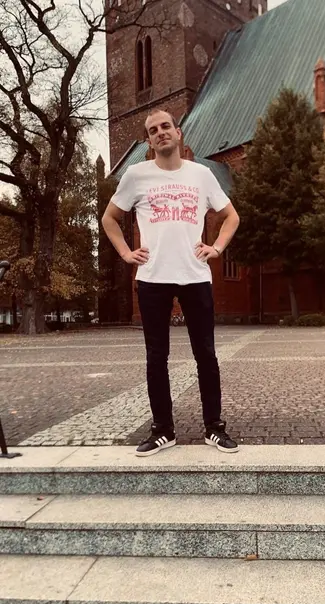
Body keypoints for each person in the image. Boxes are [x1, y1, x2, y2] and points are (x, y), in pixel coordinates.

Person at [102, 109, 240, 456]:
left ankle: (214, 428)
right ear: (149, 141)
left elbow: (230, 216)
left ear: (178, 133)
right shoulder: (136, 175)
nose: (160, 132)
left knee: (206, 355)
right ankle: (163, 430)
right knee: (156, 357)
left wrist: (216, 248)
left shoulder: (201, 174)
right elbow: (109, 218)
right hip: (153, 278)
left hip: (195, 276)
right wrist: (125, 253)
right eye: (153, 130)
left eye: (166, 126)